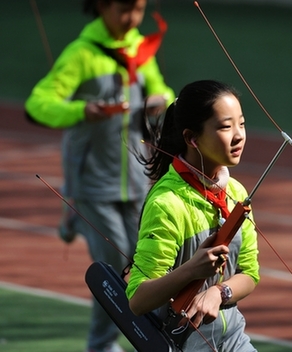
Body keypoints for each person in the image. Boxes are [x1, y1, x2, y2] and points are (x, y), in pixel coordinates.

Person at [25, 0, 175, 351]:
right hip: (93, 182)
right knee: (115, 265)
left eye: (139, 9)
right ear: (102, 6)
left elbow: (163, 90)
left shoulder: (139, 49)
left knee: (147, 262)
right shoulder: (82, 53)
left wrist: (159, 100)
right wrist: (81, 110)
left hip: (137, 179)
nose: (133, 18)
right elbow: (38, 102)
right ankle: (101, 345)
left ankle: (74, 223)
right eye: (125, 9)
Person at [125, 80, 260, 351]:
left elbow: (250, 274)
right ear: (191, 138)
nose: (239, 135)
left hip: (233, 338)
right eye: (225, 126)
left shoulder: (236, 192)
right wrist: (191, 270)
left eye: (241, 124)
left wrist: (219, 293)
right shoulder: (167, 202)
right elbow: (138, 300)